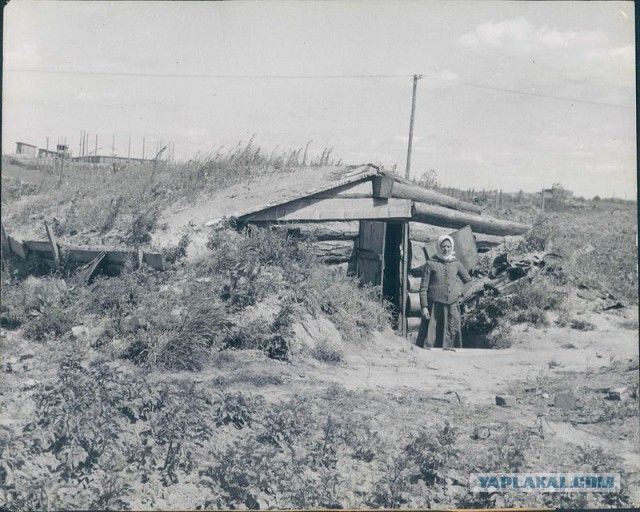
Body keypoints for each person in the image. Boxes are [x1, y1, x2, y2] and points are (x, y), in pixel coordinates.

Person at [416, 235, 472, 349]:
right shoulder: (431, 263)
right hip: (434, 307)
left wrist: (461, 292)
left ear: (452, 248)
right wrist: (424, 306)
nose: (446, 249)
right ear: (439, 247)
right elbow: (423, 288)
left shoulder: (456, 263)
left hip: (452, 305)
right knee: (431, 336)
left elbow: (468, 281)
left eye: (448, 246)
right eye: (443, 246)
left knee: (452, 333)